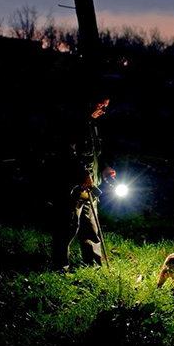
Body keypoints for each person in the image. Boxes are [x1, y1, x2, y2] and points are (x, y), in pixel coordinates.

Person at [50, 93, 116, 270]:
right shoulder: (74, 123)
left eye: (106, 107)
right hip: (74, 186)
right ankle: (60, 265)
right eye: (101, 105)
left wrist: (104, 169)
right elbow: (65, 152)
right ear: (89, 103)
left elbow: (95, 155)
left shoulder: (92, 126)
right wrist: (81, 173)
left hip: (91, 186)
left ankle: (93, 265)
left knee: (91, 228)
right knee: (68, 226)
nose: (103, 111)